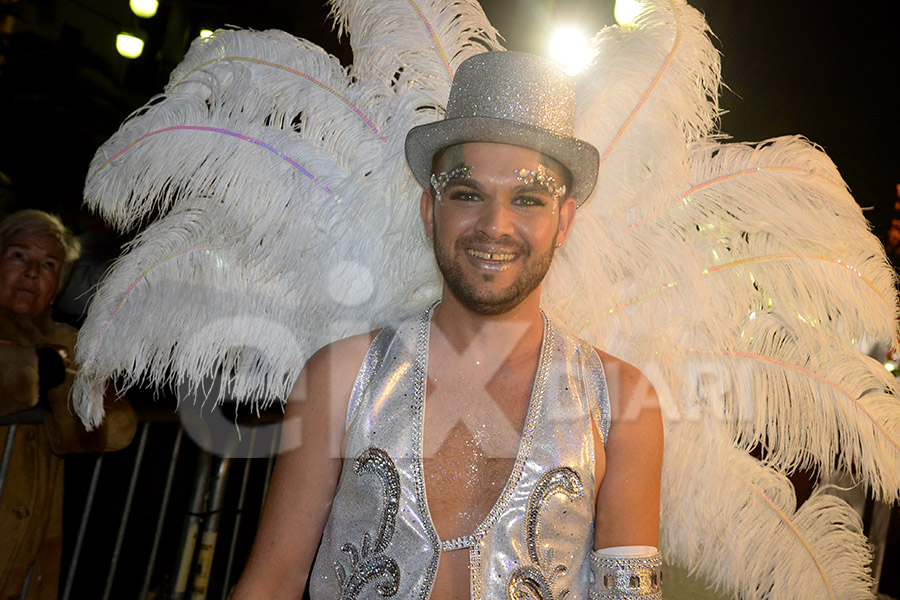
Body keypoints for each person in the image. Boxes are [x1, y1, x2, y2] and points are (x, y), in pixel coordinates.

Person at [233, 52, 663, 599]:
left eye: (527, 200)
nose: (495, 226)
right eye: (467, 194)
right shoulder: (341, 376)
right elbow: (271, 581)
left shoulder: (621, 402)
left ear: (564, 221)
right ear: (430, 209)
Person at [0, 209, 135, 600]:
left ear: (58, 285)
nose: (31, 272)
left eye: (48, 264)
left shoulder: (69, 341)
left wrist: (55, 379)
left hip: (30, 547)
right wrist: (39, 370)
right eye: (18, 256)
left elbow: (119, 428)